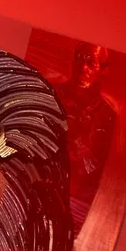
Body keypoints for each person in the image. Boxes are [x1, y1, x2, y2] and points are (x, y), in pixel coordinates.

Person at [53, 41, 118, 234]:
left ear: (103, 70)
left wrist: (77, 141)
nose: (83, 67)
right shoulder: (52, 94)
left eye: (91, 63)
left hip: (75, 200)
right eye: (80, 59)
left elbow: (94, 169)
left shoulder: (106, 115)